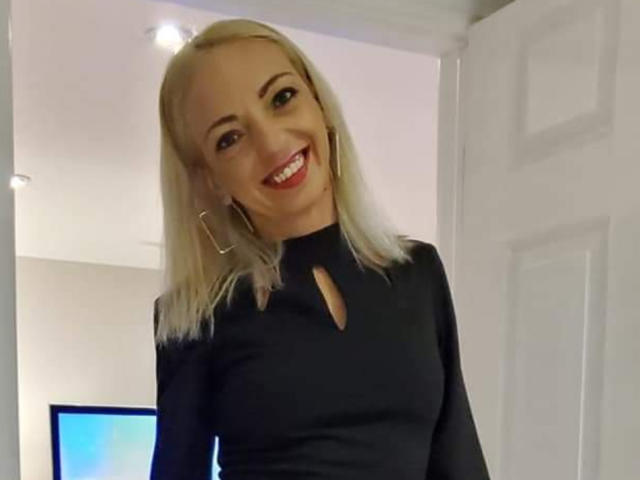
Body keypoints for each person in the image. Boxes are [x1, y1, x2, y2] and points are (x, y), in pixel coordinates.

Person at [149, 18, 490, 480]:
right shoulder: (197, 316)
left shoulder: (417, 273)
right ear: (211, 180)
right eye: (229, 138)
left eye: (281, 98)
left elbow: (460, 460)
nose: (272, 143)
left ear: (320, 105)